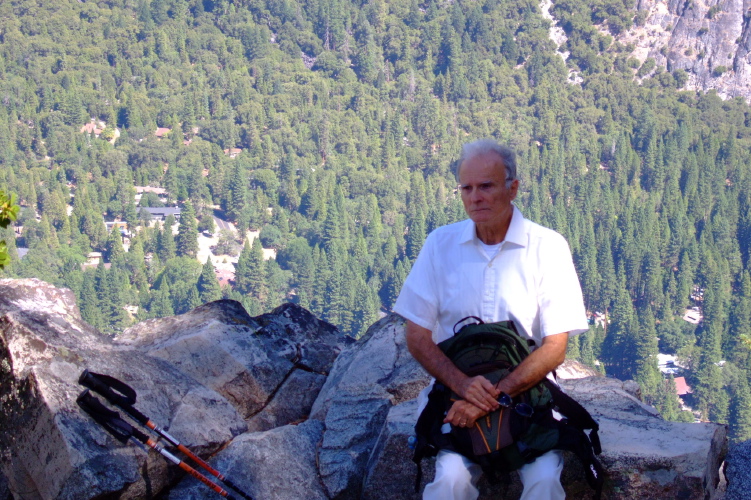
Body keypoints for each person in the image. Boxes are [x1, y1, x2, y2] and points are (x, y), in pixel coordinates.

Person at [393, 139, 589, 500]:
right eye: (466, 188)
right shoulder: (440, 244)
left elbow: (555, 347)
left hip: (525, 392)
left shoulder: (546, 247)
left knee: (544, 480)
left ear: (513, 188)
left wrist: (492, 396)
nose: (475, 197)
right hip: (455, 391)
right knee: (449, 480)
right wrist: (463, 386)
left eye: (486, 186)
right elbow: (417, 336)